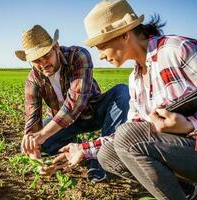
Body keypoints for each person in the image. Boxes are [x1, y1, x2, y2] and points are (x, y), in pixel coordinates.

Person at [52, 0, 197, 199]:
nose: (100, 56)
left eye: (101, 46)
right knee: (108, 155)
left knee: (127, 136)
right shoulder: (135, 79)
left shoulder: (177, 50)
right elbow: (131, 134)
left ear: (124, 34)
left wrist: (191, 124)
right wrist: (83, 150)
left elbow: (130, 136)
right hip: (186, 154)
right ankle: (194, 195)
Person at [15, 24, 130, 182]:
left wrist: (41, 135)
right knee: (27, 146)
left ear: (55, 47)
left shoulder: (78, 56)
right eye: (36, 60)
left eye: (46, 55)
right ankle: (79, 147)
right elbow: (32, 124)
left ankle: (99, 159)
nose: (43, 64)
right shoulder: (33, 80)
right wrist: (37, 161)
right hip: (62, 123)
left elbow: (74, 105)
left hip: (93, 112)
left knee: (122, 92)